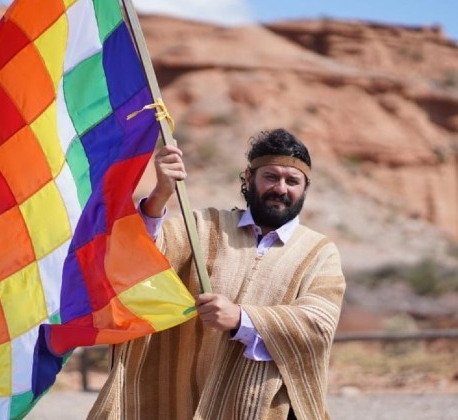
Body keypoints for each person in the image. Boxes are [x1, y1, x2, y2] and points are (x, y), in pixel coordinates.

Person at [88, 129, 346, 420]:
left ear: (305, 187)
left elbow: (318, 323)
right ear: (249, 178)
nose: (281, 188)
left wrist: (241, 318)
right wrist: (160, 195)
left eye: (292, 181)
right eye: (271, 177)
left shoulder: (319, 252)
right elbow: (141, 261)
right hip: (188, 397)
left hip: (266, 407)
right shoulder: (204, 225)